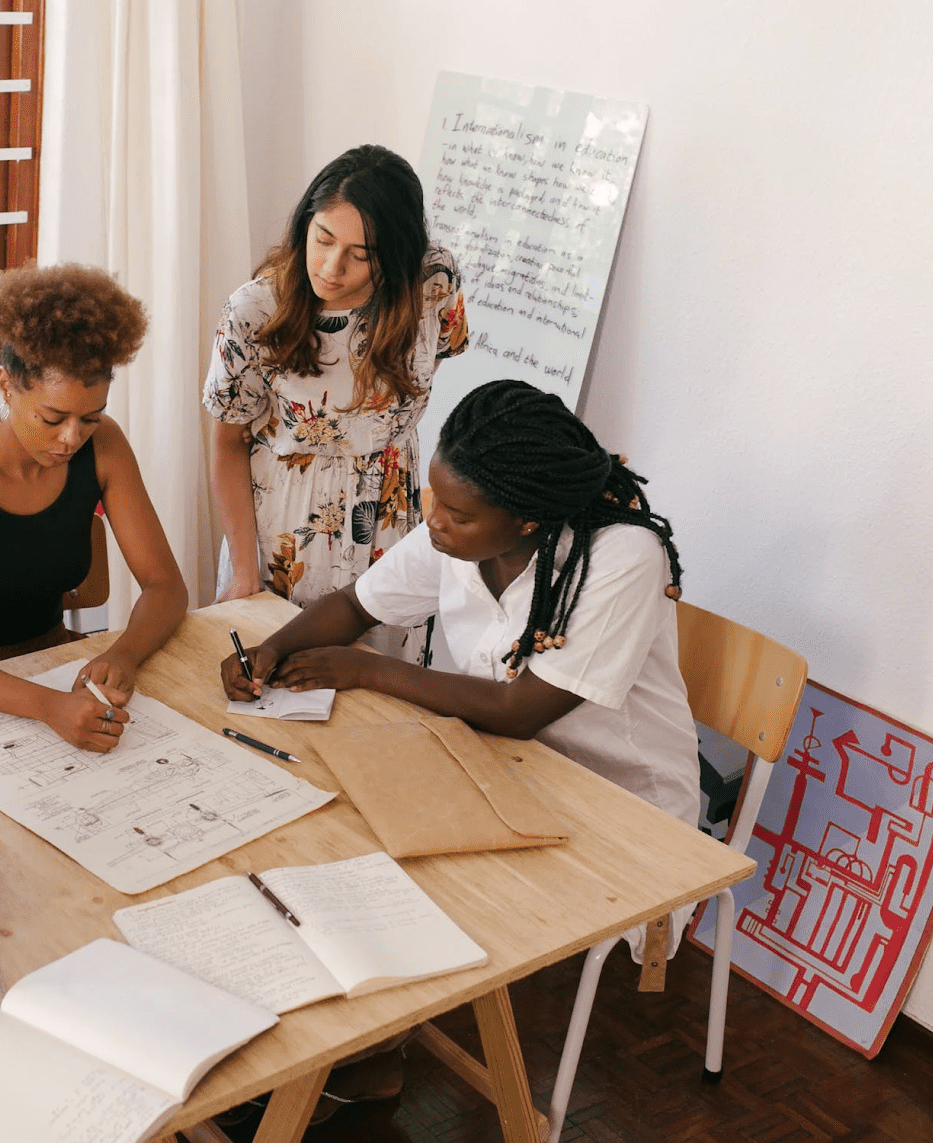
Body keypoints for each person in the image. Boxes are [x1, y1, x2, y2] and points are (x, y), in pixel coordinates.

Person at [219, 379, 700, 1120]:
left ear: (527, 516)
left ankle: (351, 1054)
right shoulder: (464, 527)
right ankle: (359, 1052)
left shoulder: (622, 557)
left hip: (613, 805)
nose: (432, 520)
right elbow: (355, 605)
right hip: (490, 760)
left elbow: (521, 709)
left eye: (455, 513)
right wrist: (269, 648)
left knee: (390, 871)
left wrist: (373, 667)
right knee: (334, 829)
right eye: (434, 499)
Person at [0, 263, 187, 752]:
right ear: (7, 386)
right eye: (53, 418)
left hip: (50, 666)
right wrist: (49, 707)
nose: (71, 438)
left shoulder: (104, 446)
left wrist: (124, 654)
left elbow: (166, 586)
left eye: (90, 418)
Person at [204, 143, 468, 661]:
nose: (330, 266)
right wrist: (243, 569)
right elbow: (226, 443)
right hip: (287, 526)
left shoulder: (432, 282)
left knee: (384, 694)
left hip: (391, 519)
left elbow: (420, 377)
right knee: (277, 682)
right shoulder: (255, 310)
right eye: (321, 239)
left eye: (360, 254)